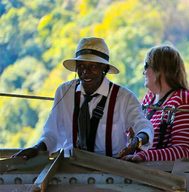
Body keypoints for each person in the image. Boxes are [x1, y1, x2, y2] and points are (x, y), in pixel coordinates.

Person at [12, 37, 152, 160]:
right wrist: (37, 148)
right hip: (71, 167)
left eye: (92, 66)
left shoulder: (123, 98)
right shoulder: (64, 92)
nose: (85, 73)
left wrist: (137, 142)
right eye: (81, 67)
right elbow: (52, 133)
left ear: (104, 67)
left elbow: (144, 127)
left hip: (112, 168)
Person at [122, 45, 189, 162]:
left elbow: (183, 151)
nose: (143, 72)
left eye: (146, 66)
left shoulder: (183, 101)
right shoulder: (150, 98)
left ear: (160, 70)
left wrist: (144, 156)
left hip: (183, 175)